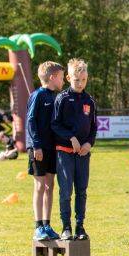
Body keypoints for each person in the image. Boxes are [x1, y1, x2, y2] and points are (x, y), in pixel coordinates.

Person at [51, 58, 97, 241]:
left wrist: (88, 144)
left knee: (82, 190)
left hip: (83, 155)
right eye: (77, 80)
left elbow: (93, 127)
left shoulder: (90, 101)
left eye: (83, 80)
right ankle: (66, 226)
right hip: (64, 153)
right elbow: (55, 125)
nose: (80, 83)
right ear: (69, 78)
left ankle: (80, 226)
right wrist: (71, 138)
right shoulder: (62, 99)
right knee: (65, 191)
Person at [26, 61, 65, 241]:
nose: (63, 80)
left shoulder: (55, 97)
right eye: (61, 77)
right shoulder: (38, 95)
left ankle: (47, 224)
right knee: (40, 186)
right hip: (39, 148)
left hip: (52, 148)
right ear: (52, 77)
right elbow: (31, 120)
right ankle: (38, 227)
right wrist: (36, 145)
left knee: (50, 186)